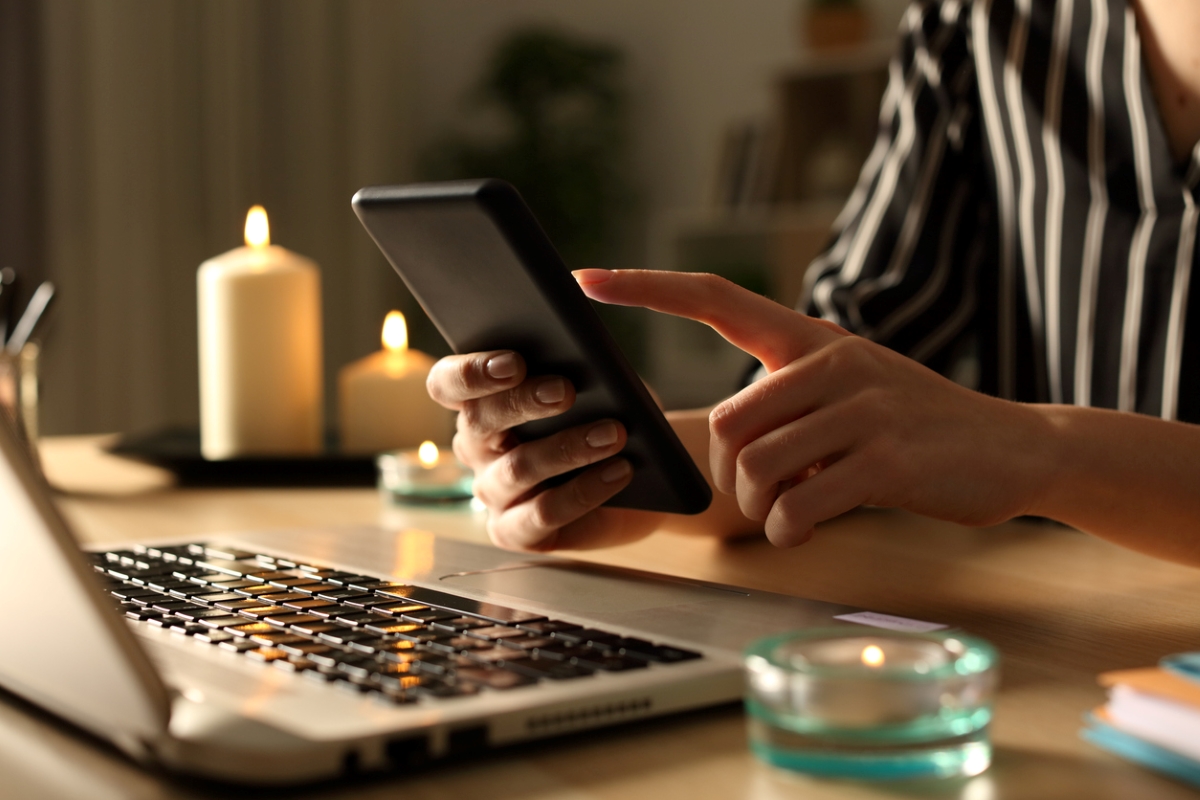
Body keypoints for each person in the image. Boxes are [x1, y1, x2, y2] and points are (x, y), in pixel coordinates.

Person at [425, 0, 1200, 567]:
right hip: (1061, 638)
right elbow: (838, 385)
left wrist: (1040, 451)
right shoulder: (980, 24)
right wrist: (625, 470)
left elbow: (988, 441)